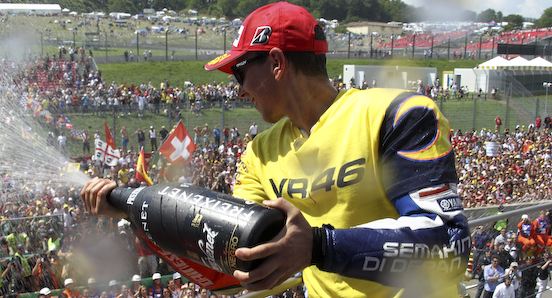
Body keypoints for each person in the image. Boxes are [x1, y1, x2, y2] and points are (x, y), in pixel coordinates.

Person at [83, 2, 469, 297]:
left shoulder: (398, 114)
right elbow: (233, 262)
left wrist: (319, 246)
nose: (238, 89)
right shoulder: (260, 153)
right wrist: (134, 208)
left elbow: (450, 245)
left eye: (239, 71)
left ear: (276, 62)